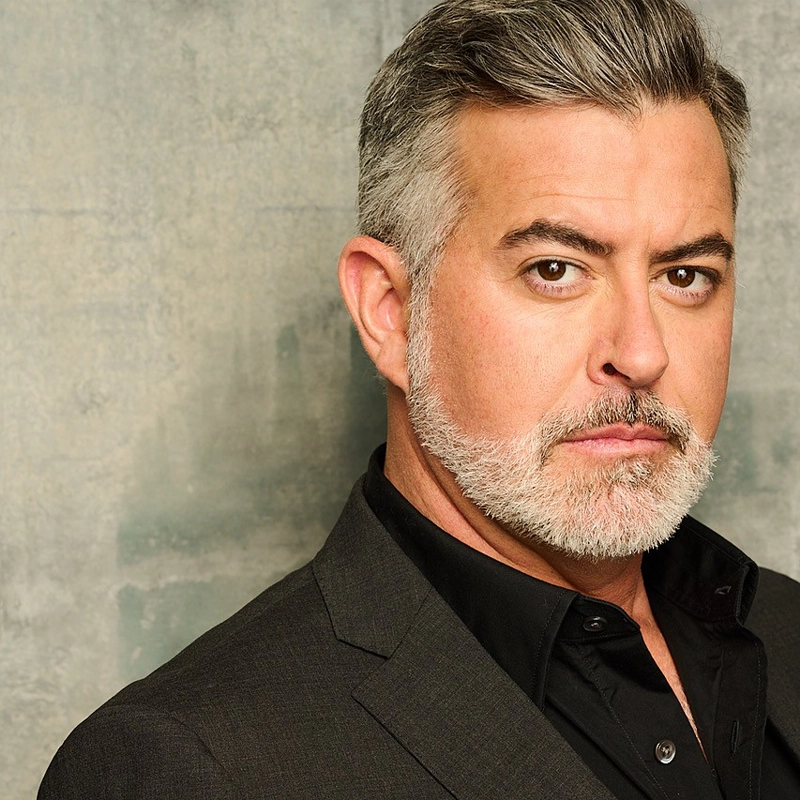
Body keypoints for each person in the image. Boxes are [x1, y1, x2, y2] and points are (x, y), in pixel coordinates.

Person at [39, 0, 800, 798]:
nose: (641, 354)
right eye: (555, 270)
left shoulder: (784, 630)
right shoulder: (189, 765)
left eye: (685, 276)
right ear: (390, 313)